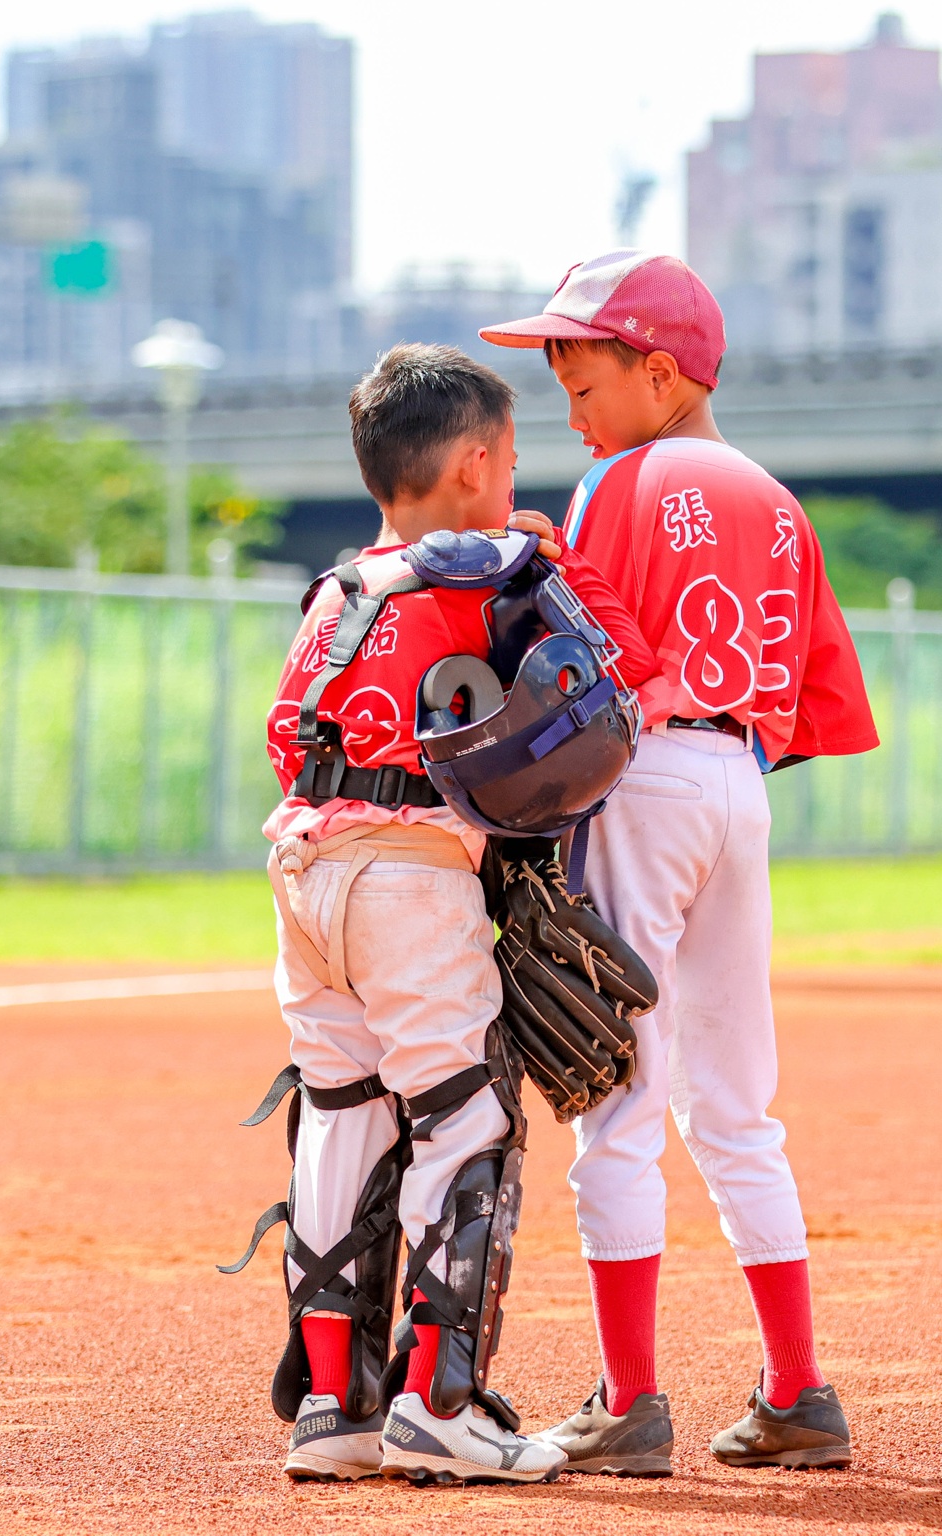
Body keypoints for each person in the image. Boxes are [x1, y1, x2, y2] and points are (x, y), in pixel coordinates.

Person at [480, 251, 879, 1474]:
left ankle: (629, 1401)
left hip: (641, 776)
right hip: (737, 786)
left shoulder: (620, 479)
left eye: (582, 376)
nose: (570, 410)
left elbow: (584, 653)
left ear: (657, 370)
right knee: (736, 1101)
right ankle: (798, 1389)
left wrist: (532, 554)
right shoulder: (774, 498)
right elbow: (816, 694)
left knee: (618, 1098)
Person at [237, 343, 651, 1485]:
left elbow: (285, 739)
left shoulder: (333, 591)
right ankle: (437, 1403)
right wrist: (546, 550)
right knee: (466, 1118)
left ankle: (335, 1405)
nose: (515, 476)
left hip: (302, 872)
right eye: (510, 456)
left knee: (339, 1115)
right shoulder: (490, 564)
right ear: (475, 462)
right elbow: (620, 670)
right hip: (409, 879)